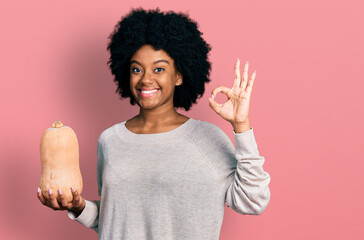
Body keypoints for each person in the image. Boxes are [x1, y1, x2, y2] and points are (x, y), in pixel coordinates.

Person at [37, 7, 271, 240]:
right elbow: (112, 219)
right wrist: (77, 206)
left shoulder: (207, 139)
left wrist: (242, 126)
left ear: (179, 75)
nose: (146, 79)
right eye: (136, 69)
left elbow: (253, 200)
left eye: (159, 69)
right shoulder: (110, 140)